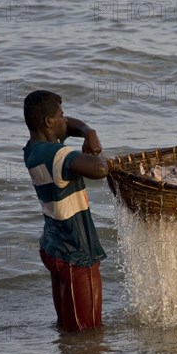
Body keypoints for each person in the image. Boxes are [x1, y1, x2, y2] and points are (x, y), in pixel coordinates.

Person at [23, 90, 108, 332]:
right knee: (88, 335)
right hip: (76, 255)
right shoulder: (58, 155)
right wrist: (95, 146)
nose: (66, 119)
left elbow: (67, 128)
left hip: (54, 249)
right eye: (61, 115)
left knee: (68, 330)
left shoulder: (32, 151)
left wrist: (88, 132)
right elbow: (100, 170)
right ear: (49, 122)